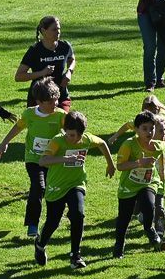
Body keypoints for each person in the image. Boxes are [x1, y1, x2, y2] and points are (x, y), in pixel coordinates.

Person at [36, 110, 115, 270]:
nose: (73, 138)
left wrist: (110, 164)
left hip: (77, 183)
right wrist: (65, 158)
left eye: (76, 135)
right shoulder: (58, 141)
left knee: (78, 215)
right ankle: (40, 244)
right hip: (56, 187)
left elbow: (102, 144)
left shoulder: (86, 139)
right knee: (53, 222)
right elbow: (43, 161)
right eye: (70, 134)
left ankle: (75, 255)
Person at [0, 81, 66, 237]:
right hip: (33, 159)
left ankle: (53, 220)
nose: (55, 103)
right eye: (50, 101)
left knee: (54, 190)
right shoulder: (29, 114)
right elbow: (17, 127)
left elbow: (72, 131)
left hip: (53, 160)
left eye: (56, 99)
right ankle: (33, 224)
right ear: (39, 102)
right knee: (38, 187)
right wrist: (4, 143)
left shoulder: (61, 115)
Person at [111, 112, 165, 257]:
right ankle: (119, 246)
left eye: (151, 129)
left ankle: (150, 230)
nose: (149, 132)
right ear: (136, 129)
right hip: (129, 185)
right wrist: (139, 163)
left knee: (149, 205)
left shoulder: (159, 146)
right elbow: (120, 166)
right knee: (124, 218)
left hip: (149, 182)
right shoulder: (129, 144)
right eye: (144, 129)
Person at [16, 16, 74, 88]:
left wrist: (69, 72)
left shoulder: (65, 46)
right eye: (54, 29)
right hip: (40, 96)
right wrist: (42, 73)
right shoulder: (35, 50)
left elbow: (71, 59)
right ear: (43, 31)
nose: (58, 32)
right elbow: (19, 76)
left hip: (61, 94)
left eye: (59, 29)